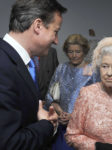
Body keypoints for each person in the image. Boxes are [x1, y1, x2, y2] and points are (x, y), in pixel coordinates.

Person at [0, 0, 67, 149]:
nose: (56, 41)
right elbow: (9, 143)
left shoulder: (17, 61)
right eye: (55, 31)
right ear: (38, 26)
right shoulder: (3, 66)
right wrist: (47, 125)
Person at [44, 34, 100, 150]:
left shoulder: (92, 70)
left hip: (83, 129)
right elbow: (50, 96)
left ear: (84, 51)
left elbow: (98, 103)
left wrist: (74, 117)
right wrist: (61, 112)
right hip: (61, 126)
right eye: (70, 51)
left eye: (78, 51)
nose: (74, 55)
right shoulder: (61, 68)